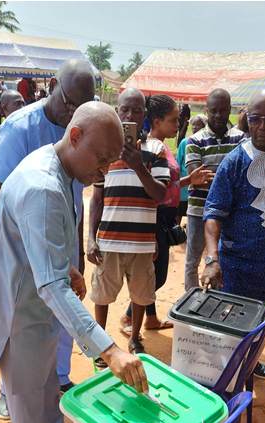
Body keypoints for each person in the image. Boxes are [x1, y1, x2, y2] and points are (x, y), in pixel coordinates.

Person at [0, 102, 149, 423]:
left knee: (47, 378)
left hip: (36, 300)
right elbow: (51, 286)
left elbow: (36, 238)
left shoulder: (53, 163)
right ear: (75, 136)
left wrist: (64, 265)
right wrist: (110, 350)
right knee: (24, 392)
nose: (103, 170)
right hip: (17, 308)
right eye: (101, 159)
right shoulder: (43, 187)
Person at [0, 59, 95, 421]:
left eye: (81, 108)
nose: (72, 114)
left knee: (62, 314)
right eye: (68, 103)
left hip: (63, 236)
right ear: (51, 85)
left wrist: (74, 258)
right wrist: (12, 260)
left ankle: (58, 379)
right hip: (22, 248)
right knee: (22, 324)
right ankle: (10, 393)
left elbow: (76, 201)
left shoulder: (83, 130)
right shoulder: (19, 129)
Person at [201, 87, 265, 380]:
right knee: (232, 321)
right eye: (254, 119)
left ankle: (250, 362)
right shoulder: (233, 162)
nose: (261, 127)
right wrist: (212, 259)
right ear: (246, 119)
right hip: (237, 264)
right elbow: (212, 215)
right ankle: (228, 371)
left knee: (263, 319)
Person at [120, 95, 213, 336]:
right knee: (157, 276)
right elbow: (151, 191)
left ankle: (150, 318)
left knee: (153, 272)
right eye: (173, 121)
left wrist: (188, 181)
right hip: (155, 217)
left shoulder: (163, 147)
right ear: (157, 121)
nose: (177, 125)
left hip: (164, 217)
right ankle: (129, 316)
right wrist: (150, 232)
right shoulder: (150, 149)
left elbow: (166, 184)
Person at [88, 88, 170, 356]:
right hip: (109, 239)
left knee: (141, 296)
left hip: (142, 242)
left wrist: (138, 167)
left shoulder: (156, 149)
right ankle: (101, 346)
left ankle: (135, 338)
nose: (130, 114)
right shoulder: (105, 152)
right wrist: (91, 238)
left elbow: (160, 193)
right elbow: (97, 198)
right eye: (125, 109)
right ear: (117, 111)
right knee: (102, 296)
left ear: (144, 114)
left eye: (137, 110)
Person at [184, 88, 245, 291]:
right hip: (198, 210)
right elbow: (197, 176)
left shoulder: (241, 139)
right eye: (214, 110)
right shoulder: (194, 140)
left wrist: (214, 178)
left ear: (230, 110)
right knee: (193, 261)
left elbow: (242, 176)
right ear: (206, 110)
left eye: (223, 110)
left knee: (223, 259)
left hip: (229, 213)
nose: (218, 115)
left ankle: (218, 299)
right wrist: (228, 179)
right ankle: (191, 301)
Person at [0, 90, 25, 181]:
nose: (22, 107)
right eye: (17, 104)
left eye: (23, 104)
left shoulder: (29, 135)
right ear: (4, 107)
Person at [176, 114, 207, 222]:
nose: (194, 127)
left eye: (198, 125)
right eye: (193, 125)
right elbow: (178, 162)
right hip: (184, 185)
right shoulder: (184, 142)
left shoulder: (205, 143)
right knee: (178, 213)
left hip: (197, 185)